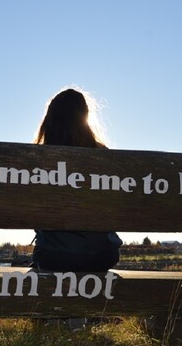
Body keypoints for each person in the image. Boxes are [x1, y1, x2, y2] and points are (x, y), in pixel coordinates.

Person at [31, 88, 122, 272]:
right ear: (85, 117)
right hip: (102, 256)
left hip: (51, 256)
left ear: (49, 120)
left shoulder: (36, 160)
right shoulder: (105, 158)